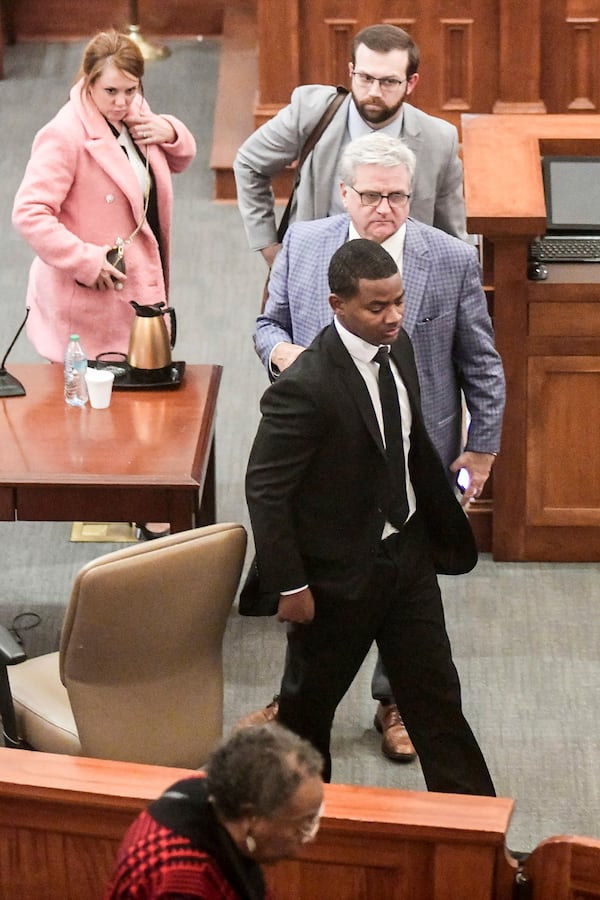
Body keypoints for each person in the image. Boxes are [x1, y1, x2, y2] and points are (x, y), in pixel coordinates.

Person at [239, 132, 505, 763]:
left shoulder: (448, 260)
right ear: (344, 194)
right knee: (315, 681)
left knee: (431, 687)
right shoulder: (303, 246)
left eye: (397, 196)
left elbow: (481, 362)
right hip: (331, 501)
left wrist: (482, 448)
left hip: (408, 493)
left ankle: (395, 704)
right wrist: (283, 354)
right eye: (371, 194)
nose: (384, 207)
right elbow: (266, 324)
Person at [12, 29, 196, 364]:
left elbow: (175, 163)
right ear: (89, 81)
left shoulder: (134, 111)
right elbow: (29, 213)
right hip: (91, 301)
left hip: (139, 287)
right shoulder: (64, 134)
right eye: (111, 91)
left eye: (131, 90)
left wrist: (169, 131)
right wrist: (86, 261)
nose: (121, 102)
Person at [234, 23, 467, 268]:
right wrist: (270, 247)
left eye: (389, 82)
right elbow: (250, 163)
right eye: (366, 78)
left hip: (400, 281)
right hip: (318, 268)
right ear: (351, 71)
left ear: (411, 83)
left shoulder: (439, 140)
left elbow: (452, 237)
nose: (374, 92)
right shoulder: (311, 111)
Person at [106, 723, 324, 900]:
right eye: (303, 825)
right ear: (252, 817)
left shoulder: (202, 791)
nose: (308, 837)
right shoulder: (183, 881)